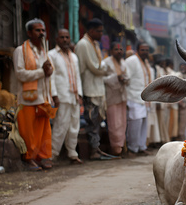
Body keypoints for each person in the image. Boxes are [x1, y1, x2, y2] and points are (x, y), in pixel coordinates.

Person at [13, 18, 53, 170]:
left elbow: (49, 73)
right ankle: (28, 158)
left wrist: (48, 72)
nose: (42, 33)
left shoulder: (44, 50)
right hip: (28, 98)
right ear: (29, 33)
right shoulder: (20, 50)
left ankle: (43, 157)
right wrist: (42, 72)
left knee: (43, 130)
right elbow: (20, 74)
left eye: (43, 30)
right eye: (38, 30)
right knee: (28, 131)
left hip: (44, 97)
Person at [75, 18, 114, 160]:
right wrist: (105, 68)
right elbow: (96, 67)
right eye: (99, 31)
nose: (101, 34)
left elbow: (99, 66)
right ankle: (94, 151)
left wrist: (103, 67)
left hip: (97, 88)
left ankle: (96, 149)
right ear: (91, 31)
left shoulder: (95, 44)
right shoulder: (83, 44)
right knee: (91, 122)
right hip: (89, 89)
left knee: (96, 122)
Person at [48, 28, 83, 164]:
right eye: (62, 37)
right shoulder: (52, 55)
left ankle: (72, 153)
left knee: (74, 126)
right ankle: (52, 154)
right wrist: (54, 95)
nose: (65, 40)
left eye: (67, 37)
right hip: (62, 96)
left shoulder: (74, 56)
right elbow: (51, 77)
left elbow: (78, 77)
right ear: (57, 39)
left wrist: (79, 94)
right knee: (60, 126)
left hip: (74, 96)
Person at [125, 41, 154, 155]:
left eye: (146, 50)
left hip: (145, 99)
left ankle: (141, 146)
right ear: (137, 50)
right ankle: (132, 148)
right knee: (134, 124)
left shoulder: (146, 63)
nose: (145, 52)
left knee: (143, 124)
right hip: (133, 97)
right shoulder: (131, 61)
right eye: (142, 50)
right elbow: (126, 78)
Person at [103, 42, 130, 156]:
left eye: (120, 49)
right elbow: (102, 79)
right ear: (111, 51)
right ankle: (115, 148)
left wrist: (124, 79)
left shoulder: (123, 63)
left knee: (122, 122)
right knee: (114, 124)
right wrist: (115, 78)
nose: (119, 51)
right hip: (111, 97)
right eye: (116, 49)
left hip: (122, 96)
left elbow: (129, 77)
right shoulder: (105, 63)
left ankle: (120, 146)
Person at [176, 62, 186, 141]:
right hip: (180, 102)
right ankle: (181, 137)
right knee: (181, 121)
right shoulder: (178, 76)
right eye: (181, 67)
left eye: (184, 67)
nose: (183, 68)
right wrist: (180, 101)